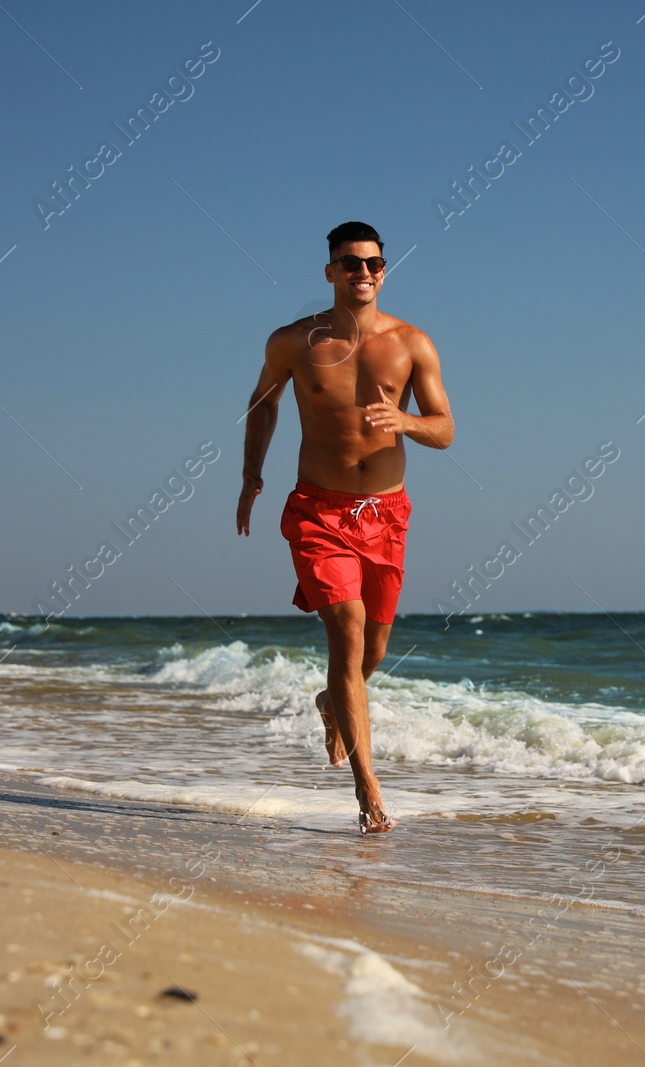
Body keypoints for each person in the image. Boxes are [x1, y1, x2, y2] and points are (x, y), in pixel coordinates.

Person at [236, 221, 455, 834]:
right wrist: (252, 476)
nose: (364, 273)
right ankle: (369, 792)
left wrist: (406, 423)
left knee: (375, 650)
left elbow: (446, 428)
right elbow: (263, 402)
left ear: (385, 270)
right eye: (351, 263)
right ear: (329, 271)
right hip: (318, 511)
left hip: (386, 513)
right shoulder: (292, 342)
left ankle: (334, 702)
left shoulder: (413, 344)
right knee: (348, 629)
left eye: (374, 264)